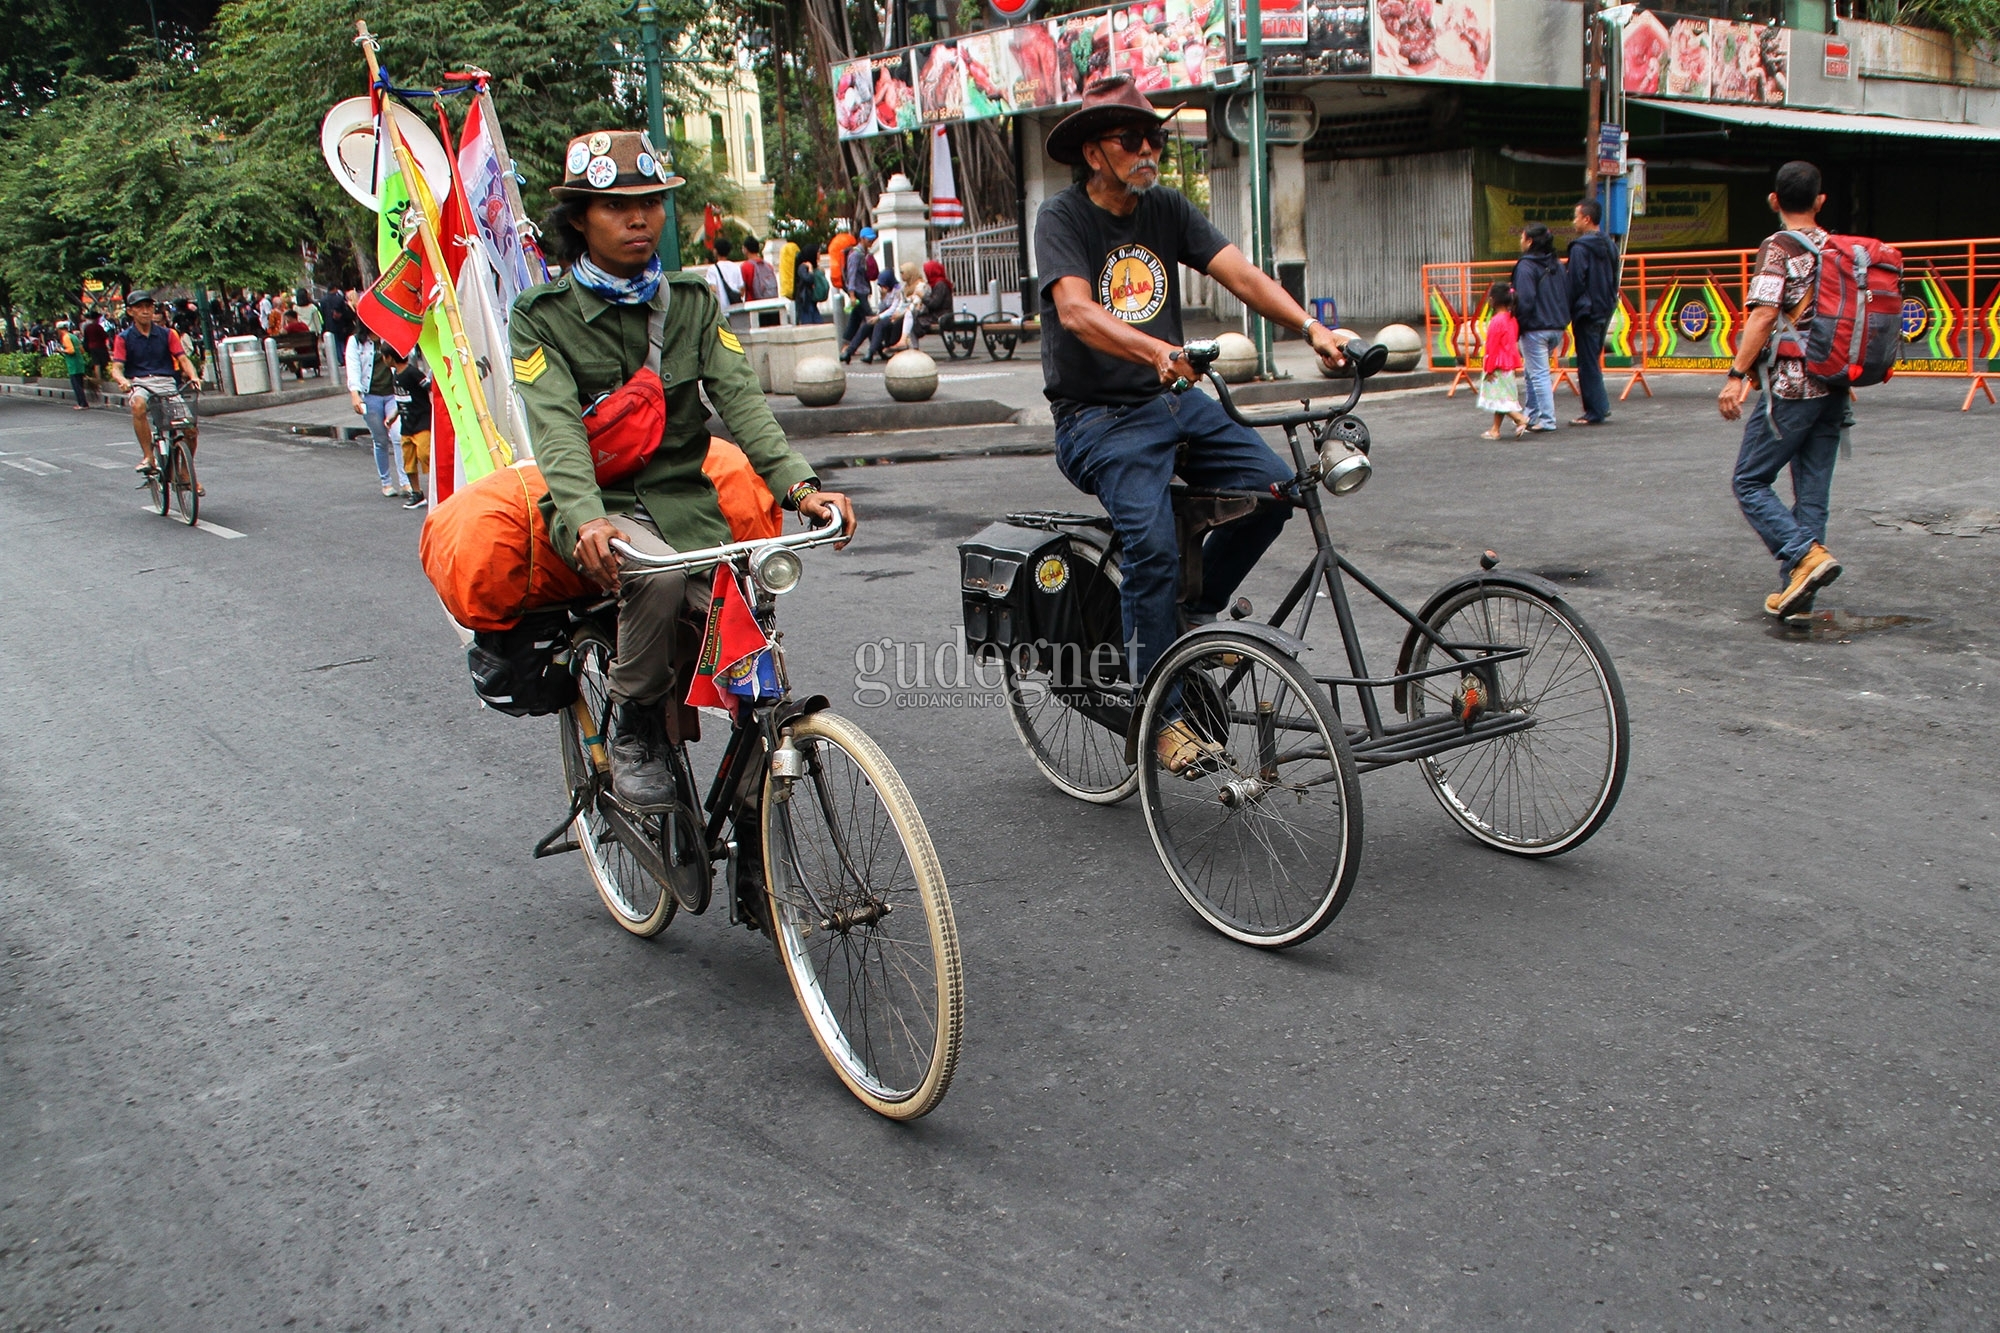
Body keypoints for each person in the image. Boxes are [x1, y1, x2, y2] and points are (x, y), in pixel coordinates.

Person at [511, 128, 856, 810]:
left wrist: (803, 488)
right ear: (580, 218)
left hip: (688, 511)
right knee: (659, 577)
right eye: (617, 206)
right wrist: (584, 518)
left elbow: (744, 402)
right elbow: (554, 431)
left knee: (753, 650)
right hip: (599, 509)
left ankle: (760, 816)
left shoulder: (692, 303)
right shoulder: (541, 318)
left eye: (653, 203)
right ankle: (636, 725)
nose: (640, 218)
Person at [1034, 75, 1348, 771]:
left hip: (1171, 402)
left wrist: (1312, 328)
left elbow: (1240, 273)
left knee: (1275, 489)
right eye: (1131, 139)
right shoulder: (1063, 220)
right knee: (1149, 544)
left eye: (1155, 138)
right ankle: (1161, 710)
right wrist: (1157, 352)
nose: (1149, 149)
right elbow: (1078, 312)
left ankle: (1189, 616)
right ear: (1094, 153)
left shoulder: (1168, 209)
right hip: (1096, 419)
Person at [1719, 160, 1847, 619]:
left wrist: (1737, 374)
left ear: (1774, 201)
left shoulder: (1778, 247)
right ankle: (1800, 592)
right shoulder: (1837, 249)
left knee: (1749, 480)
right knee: (1811, 493)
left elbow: (1764, 314)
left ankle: (1804, 555)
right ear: (1819, 201)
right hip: (1836, 384)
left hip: (1793, 385)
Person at [108, 291, 202, 490]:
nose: (145, 311)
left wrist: (193, 376)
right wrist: (123, 380)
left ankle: (184, 470)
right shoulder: (123, 338)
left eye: (149, 307)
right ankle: (149, 456)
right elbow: (116, 368)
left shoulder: (168, 334)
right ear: (130, 311)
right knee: (138, 405)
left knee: (190, 428)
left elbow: (183, 359)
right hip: (140, 383)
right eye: (140, 307)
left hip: (167, 382)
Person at [1511, 222, 1569, 433]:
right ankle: (1531, 414)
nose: (1520, 241)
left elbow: (1524, 300)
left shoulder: (1526, 266)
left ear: (1530, 241)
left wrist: (1518, 324)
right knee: (1532, 372)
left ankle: (1547, 419)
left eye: (1522, 237)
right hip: (1557, 326)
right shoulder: (1556, 264)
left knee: (1538, 374)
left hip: (1535, 327)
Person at [1566, 198, 1618, 427]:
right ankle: (1600, 405)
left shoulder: (1580, 248)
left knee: (1587, 361)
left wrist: (1568, 308)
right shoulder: (1609, 244)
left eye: (1576, 217)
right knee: (1592, 358)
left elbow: (1575, 281)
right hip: (1605, 306)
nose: (1573, 222)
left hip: (1586, 310)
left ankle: (1595, 410)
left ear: (1587, 219)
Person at [345, 325, 406, 498]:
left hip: (393, 393)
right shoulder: (356, 342)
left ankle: (406, 481)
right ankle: (386, 482)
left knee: (398, 436)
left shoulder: (390, 335)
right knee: (380, 439)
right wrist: (355, 394)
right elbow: (353, 367)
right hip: (370, 395)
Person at [1475, 282, 1529, 440]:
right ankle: (1495, 429)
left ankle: (1520, 418)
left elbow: (1491, 347)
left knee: (1499, 398)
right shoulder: (1511, 319)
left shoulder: (1496, 321)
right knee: (1502, 396)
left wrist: (1488, 368)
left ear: (1493, 300)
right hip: (1508, 363)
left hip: (1497, 364)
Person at [388, 346, 431, 509]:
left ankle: (438, 488)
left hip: (421, 421)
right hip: (406, 425)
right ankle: (417, 492)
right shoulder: (395, 376)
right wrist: (393, 416)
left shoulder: (412, 373)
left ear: (390, 358)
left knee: (425, 454)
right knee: (409, 460)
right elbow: (401, 400)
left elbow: (428, 386)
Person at [840, 227, 879, 359]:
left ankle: (847, 346)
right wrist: (851, 294)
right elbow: (851, 276)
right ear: (862, 239)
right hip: (858, 293)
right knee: (870, 320)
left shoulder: (863, 254)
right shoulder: (855, 255)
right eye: (869, 239)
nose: (871, 242)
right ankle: (874, 347)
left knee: (855, 320)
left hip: (862, 291)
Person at [909, 259, 954, 345]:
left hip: (941, 316)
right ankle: (914, 346)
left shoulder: (940, 284)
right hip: (936, 315)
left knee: (913, 320)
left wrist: (922, 296)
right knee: (912, 316)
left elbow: (934, 303)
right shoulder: (935, 284)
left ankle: (914, 347)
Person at [57, 320, 91, 410]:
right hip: (79, 362)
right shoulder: (74, 336)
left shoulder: (66, 337)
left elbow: (71, 350)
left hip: (73, 365)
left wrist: (61, 350)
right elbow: (82, 350)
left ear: (60, 330)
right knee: (80, 384)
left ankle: (82, 404)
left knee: (76, 385)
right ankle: (84, 403)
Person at [791, 243, 827, 325]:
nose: (819, 255)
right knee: (810, 323)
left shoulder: (814, 267)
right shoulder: (803, 267)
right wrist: (810, 270)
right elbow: (809, 279)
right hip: (805, 302)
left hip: (811, 301)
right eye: (817, 252)